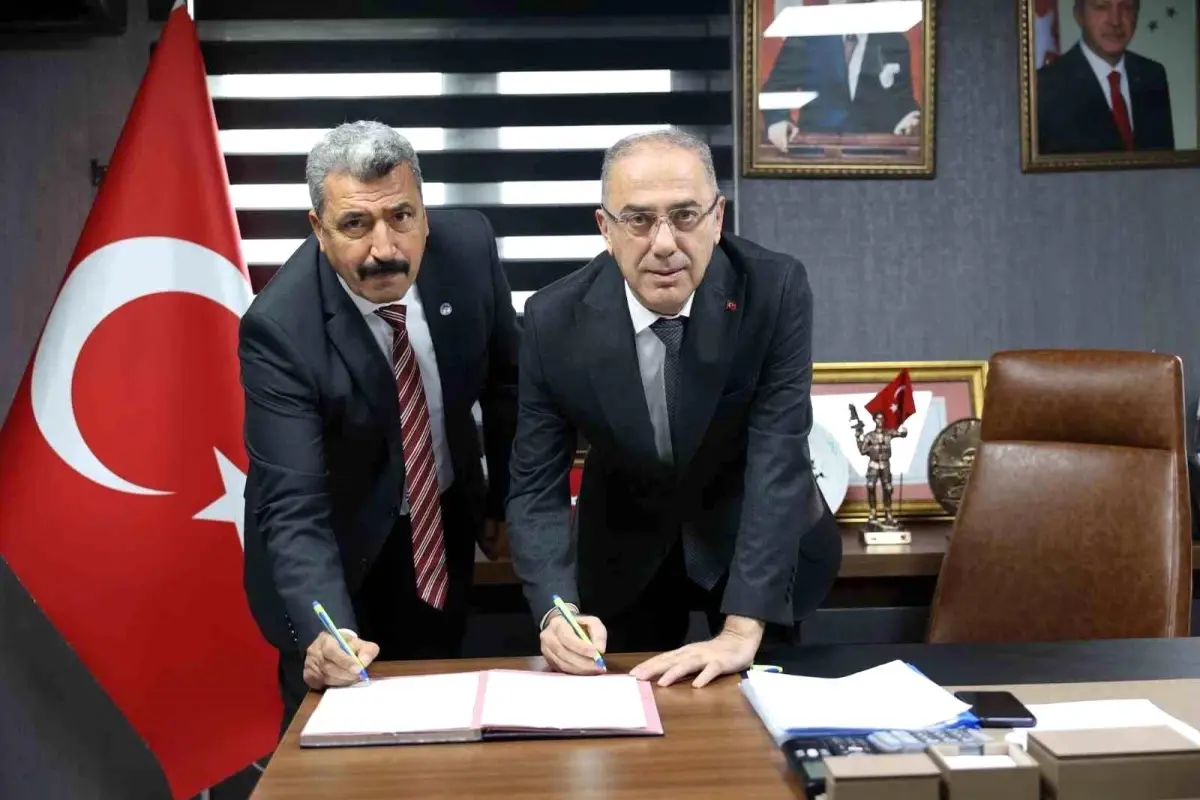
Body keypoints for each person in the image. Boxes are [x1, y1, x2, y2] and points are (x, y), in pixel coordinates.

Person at [506, 128, 842, 688]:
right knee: (629, 713)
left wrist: (741, 628)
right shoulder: (552, 320)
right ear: (605, 228)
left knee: (759, 711)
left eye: (685, 216)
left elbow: (777, 460)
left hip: (755, 543)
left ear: (717, 217)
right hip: (625, 550)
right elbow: (536, 485)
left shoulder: (774, 290)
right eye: (638, 220)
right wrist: (555, 609)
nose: (663, 243)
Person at [239, 121, 520, 733]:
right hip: (336, 552)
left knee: (446, 710)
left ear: (424, 213)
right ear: (319, 230)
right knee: (338, 731)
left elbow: (508, 383)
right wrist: (328, 630)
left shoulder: (469, 250)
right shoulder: (280, 329)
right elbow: (293, 506)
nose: (384, 248)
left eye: (401, 216)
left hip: (439, 524)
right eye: (355, 224)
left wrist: (503, 502)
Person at [762, 0, 921, 150]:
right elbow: (775, 89)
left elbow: (903, 100)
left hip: (876, 152)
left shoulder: (894, 41)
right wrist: (778, 121)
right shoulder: (806, 34)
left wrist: (911, 117)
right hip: (816, 151)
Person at [1037, 0, 1174, 154]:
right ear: (1079, 14)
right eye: (1101, 7)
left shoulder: (1153, 75)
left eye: (1126, 7)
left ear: (1136, 14)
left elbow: (1164, 160)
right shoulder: (1045, 86)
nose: (1115, 21)